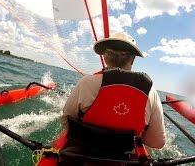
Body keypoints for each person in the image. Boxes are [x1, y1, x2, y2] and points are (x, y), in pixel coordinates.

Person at [61, 32, 166, 164]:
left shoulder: (86, 82)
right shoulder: (150, 93)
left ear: (105, 57)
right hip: (122, 160)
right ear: (133, 59)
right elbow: (157, 142)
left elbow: (67, 119)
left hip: (82, 157)